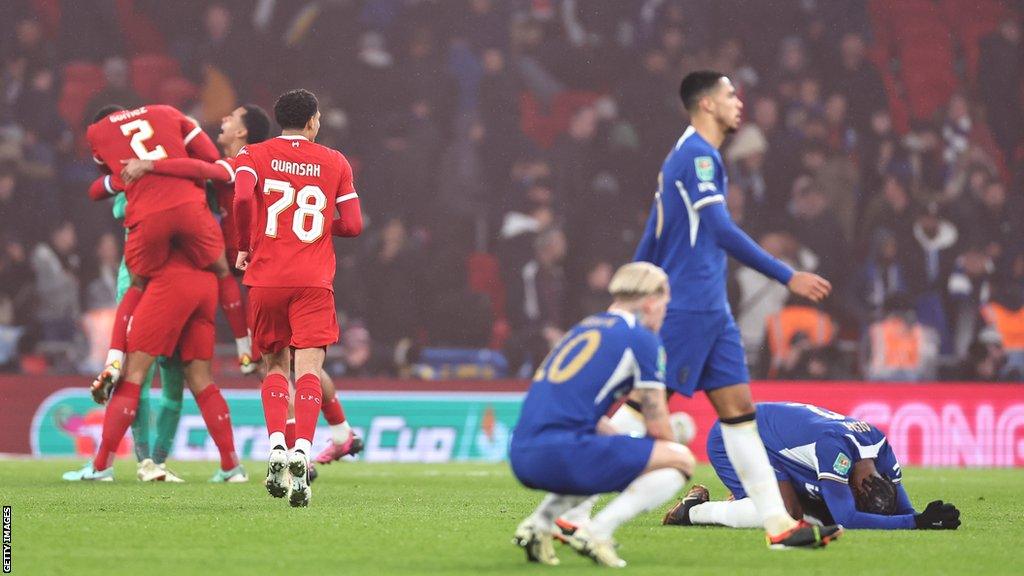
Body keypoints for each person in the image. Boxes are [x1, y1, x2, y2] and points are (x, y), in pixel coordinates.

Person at [633, 70, 839, 548]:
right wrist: (788, 275)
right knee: (642, 407)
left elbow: (654, 229)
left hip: (711, 308)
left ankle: (779, 526)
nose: (738, 103)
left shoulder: (686, 157)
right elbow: (721, 230)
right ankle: (565, 510)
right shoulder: (698, 156)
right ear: (706, 105)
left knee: (740, 414)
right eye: (729, 95)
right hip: (689, 306)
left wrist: (636, 278)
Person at [123, 104, 365, 467]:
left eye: (230, 118)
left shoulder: (244, 163)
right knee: (300, 363)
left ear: (242, 132)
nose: (222, 121)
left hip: (256, 268)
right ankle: (339, 433)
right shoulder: (264, 161)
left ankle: (299, 450)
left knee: (277, 364)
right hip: (260, 271)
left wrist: (151, 165)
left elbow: (200, 168)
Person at [510, 262, 696, 568]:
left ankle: (539, 525)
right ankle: (597, 532)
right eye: (665, 303)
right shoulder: (642, 339)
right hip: (560, 453)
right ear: (650, 302)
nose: (666, 311)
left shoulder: (586, 326)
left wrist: (628, 446)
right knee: (680, 461)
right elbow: (657, 418)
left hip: (522, 452)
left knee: (611, 452)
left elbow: (584, 413)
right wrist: (666, 449)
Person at [233, 89, 362, 508]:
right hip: (312, 280)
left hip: (266, 277)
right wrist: (323, 225)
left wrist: (243, 244)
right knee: (309, 367)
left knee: (273, 364)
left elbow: (239, 198)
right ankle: (303, 453)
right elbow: (355, 225)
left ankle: (275, 447)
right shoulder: (335, 161)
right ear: (311, 122)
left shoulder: (253, 154)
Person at [85, 104, 241, 397]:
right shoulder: (171, 122)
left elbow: (96, 190)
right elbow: (213, 166)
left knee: (135, 375)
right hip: (196, 264)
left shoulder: (125, 174)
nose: (224, 119)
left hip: (149, 262)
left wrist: (126, 175)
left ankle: (113, 359)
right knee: (193, 384)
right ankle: (245, 347)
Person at [62, 252, 245, 482]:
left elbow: (124, 216)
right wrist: (244, 346)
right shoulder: (202, 221)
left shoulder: (144, 224)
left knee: (135, 376)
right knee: (183, 378)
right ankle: (166, 462)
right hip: (196, 284)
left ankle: (124, 464)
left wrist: (115, 354)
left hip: (152, 280)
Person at [663, 402, 961, 531]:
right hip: (735, 434)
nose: (853, 498)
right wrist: (915, 523)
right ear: (857, 487)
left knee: (819, 516)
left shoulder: (881, 450)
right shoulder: (834, 449)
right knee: (787, 516)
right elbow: (848, 519)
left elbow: (905, 512)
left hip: (775, 444)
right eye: (856, 497)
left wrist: (924, 519)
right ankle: (692, 512)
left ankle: (755, 495)